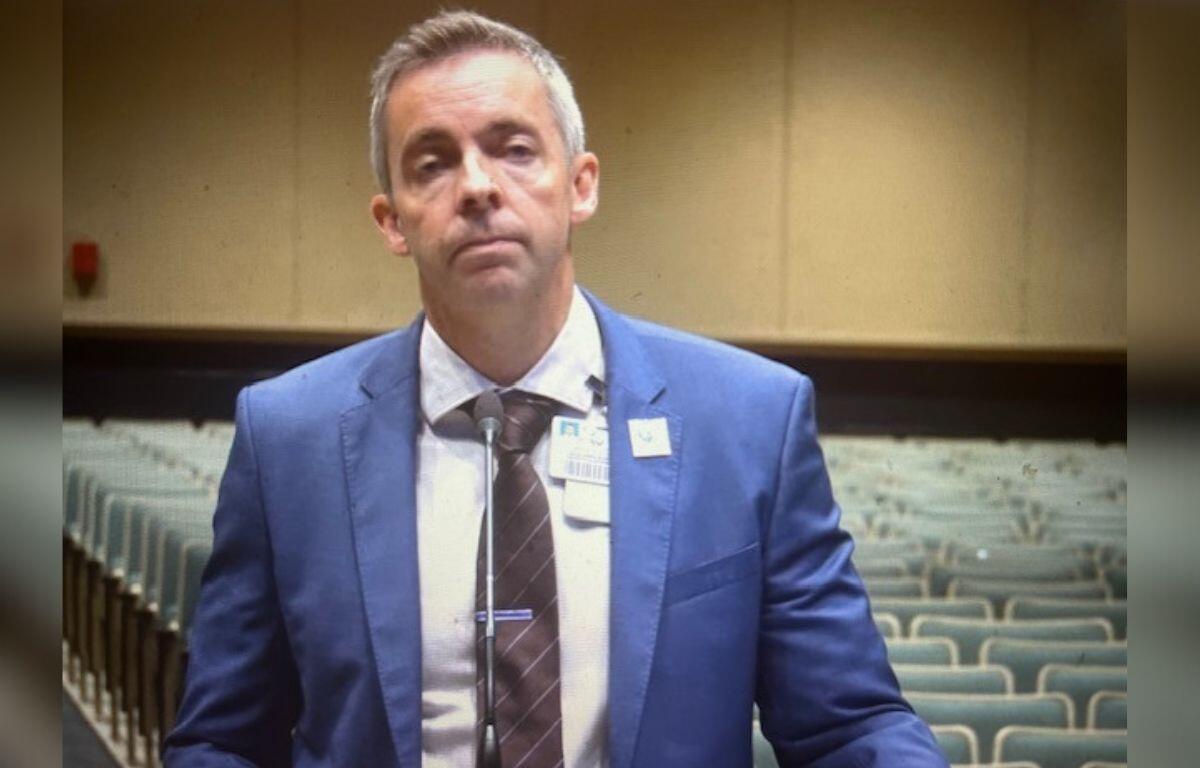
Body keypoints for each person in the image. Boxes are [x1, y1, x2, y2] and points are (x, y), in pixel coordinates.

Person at [165, 11, 947, 768]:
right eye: (432, 163)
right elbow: (223, 741)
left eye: (513, 149)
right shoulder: (287, 436)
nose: (476, 187)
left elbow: (849, 728)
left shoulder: (746, 421)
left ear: (580, 185)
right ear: (391, 221)